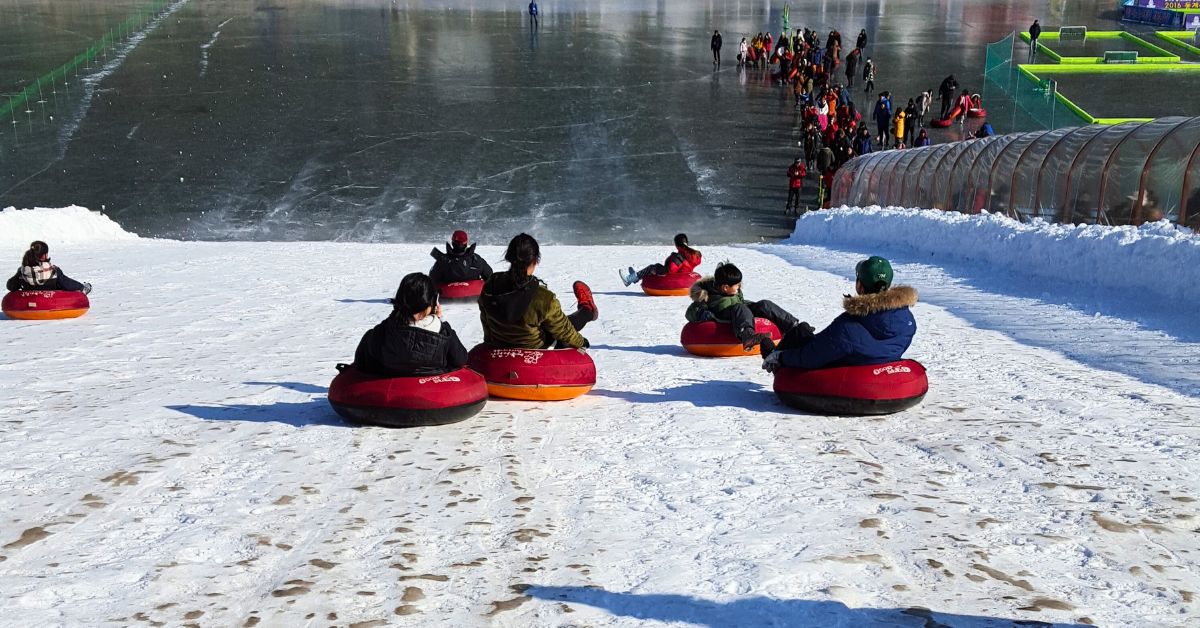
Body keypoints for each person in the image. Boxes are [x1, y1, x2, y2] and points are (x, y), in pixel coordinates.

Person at [761, 256, 917, 372]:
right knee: (803, 330)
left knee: (799, 333)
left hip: (842, 370)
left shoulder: (847, 327)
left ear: (860, 287)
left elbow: (811, 356)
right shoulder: (907, 320)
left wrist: (782, 358)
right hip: (873, 361)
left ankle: (773, 357)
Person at [479, 233, 596, 350]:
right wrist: (581, 342)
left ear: (509, 257)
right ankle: (587, 310)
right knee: (561, 323)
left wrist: (490, 344)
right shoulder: (544, 297)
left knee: (548, 321)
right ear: (535, 260)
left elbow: (485, 318)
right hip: (537, 350)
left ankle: (587, 309)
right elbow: (563, 330)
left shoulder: (491, 284)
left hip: (501, 343)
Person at [353, 273, 468, 377]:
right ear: (431, 302)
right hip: (432, 392)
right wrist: (441, 323)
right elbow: (460, 359)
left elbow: (362, 361)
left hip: (388, 389)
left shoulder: (382, 332)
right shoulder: (443, 334)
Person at [686, 262, 801, 350]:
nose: (739, 287)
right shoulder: (707, 294)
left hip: (740, 314)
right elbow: (690, 311)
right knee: (740, 307)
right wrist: (702, 313)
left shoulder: (735, 292)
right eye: (737, 285)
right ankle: (749, 337)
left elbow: (742, 303)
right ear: (725, 287)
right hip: (723, 319)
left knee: (764, 304)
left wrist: (754, 305)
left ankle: (794, 327)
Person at [6, 241, 91, 294]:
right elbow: (68, 284)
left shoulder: (23, 271)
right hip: (50, 302)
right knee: (61, 281)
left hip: (28, 302)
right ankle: (84, 288)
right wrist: (81, 287)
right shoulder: (53, 271)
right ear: (44, 255)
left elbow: (11, 286)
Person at [620, 233, 703, 286]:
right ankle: (636, 276)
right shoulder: (693, 254)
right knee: (655, 268)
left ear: (677, 245)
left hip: (674, 276)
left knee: (653, 267)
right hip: (684, 273)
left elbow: (671, 270)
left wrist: (657, 271)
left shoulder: (679, 256)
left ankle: (629, 279)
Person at [429, 230, 493, 286]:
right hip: (474, 297)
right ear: (466, 243)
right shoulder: (476, 259)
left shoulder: (442, 260)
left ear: (452, 242)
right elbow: (490, 276)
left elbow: (432, 279)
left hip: (447, 297)